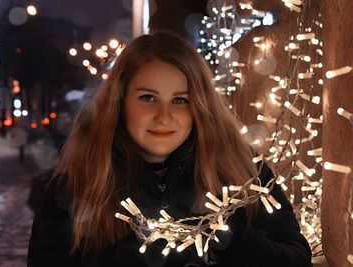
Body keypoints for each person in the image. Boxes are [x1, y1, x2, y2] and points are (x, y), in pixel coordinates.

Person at [27, 31, 312, 267]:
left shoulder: (245, 171)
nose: (164, 117)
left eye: (180, 100)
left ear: (200, 105)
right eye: (148, 97)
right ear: (121, 101)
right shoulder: (79, 181)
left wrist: (235, 239)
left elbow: (296, 259)